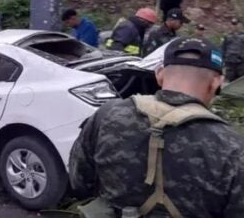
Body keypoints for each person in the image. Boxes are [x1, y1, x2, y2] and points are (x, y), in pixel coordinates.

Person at [69, 37, 244, 218]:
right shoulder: (231, 145)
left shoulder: (106, 115)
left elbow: (79, 183)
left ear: (159, 74)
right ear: (216, 83)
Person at [223, 18, 244, 82]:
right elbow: (223, 49)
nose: (234, 26)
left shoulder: (243, 36)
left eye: (236, 24)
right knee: (230, 82)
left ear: (239, 25)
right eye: (233, 24)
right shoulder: (227, 36)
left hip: (241, 64)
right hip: (230, 63)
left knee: (240, 83)